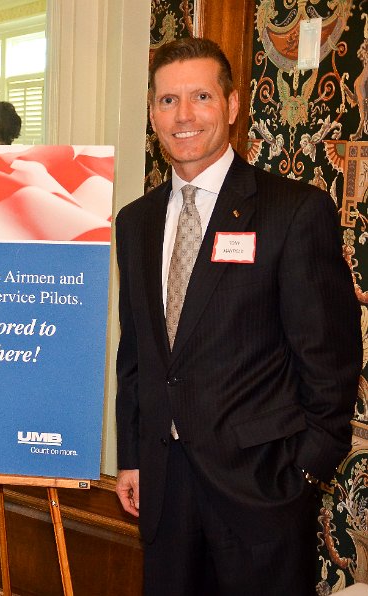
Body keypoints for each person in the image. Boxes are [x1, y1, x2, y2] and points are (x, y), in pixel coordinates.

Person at [114, 37, 361, 596]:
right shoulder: (135, 221)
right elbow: (138, 353)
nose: (183, 115)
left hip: (263, 489)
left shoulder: (292, 211)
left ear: (230, 105)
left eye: (200, 96)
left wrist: (306, 471)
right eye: (168, 100)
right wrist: (131, 456)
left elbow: (331, 358)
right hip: (164, 487)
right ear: (152, 114)